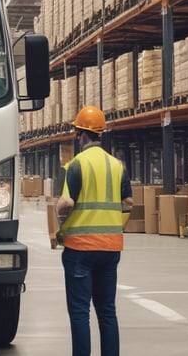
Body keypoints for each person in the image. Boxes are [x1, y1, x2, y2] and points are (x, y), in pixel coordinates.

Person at [56, 105, 134, 356]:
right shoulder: (117, 165)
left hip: (80, 249)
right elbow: (128, 203)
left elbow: (66, 203)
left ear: (81, 135)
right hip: (110, 249)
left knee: (80, 313)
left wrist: (59, 222)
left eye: (77, 134)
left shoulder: (76, 165)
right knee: (107, 311)